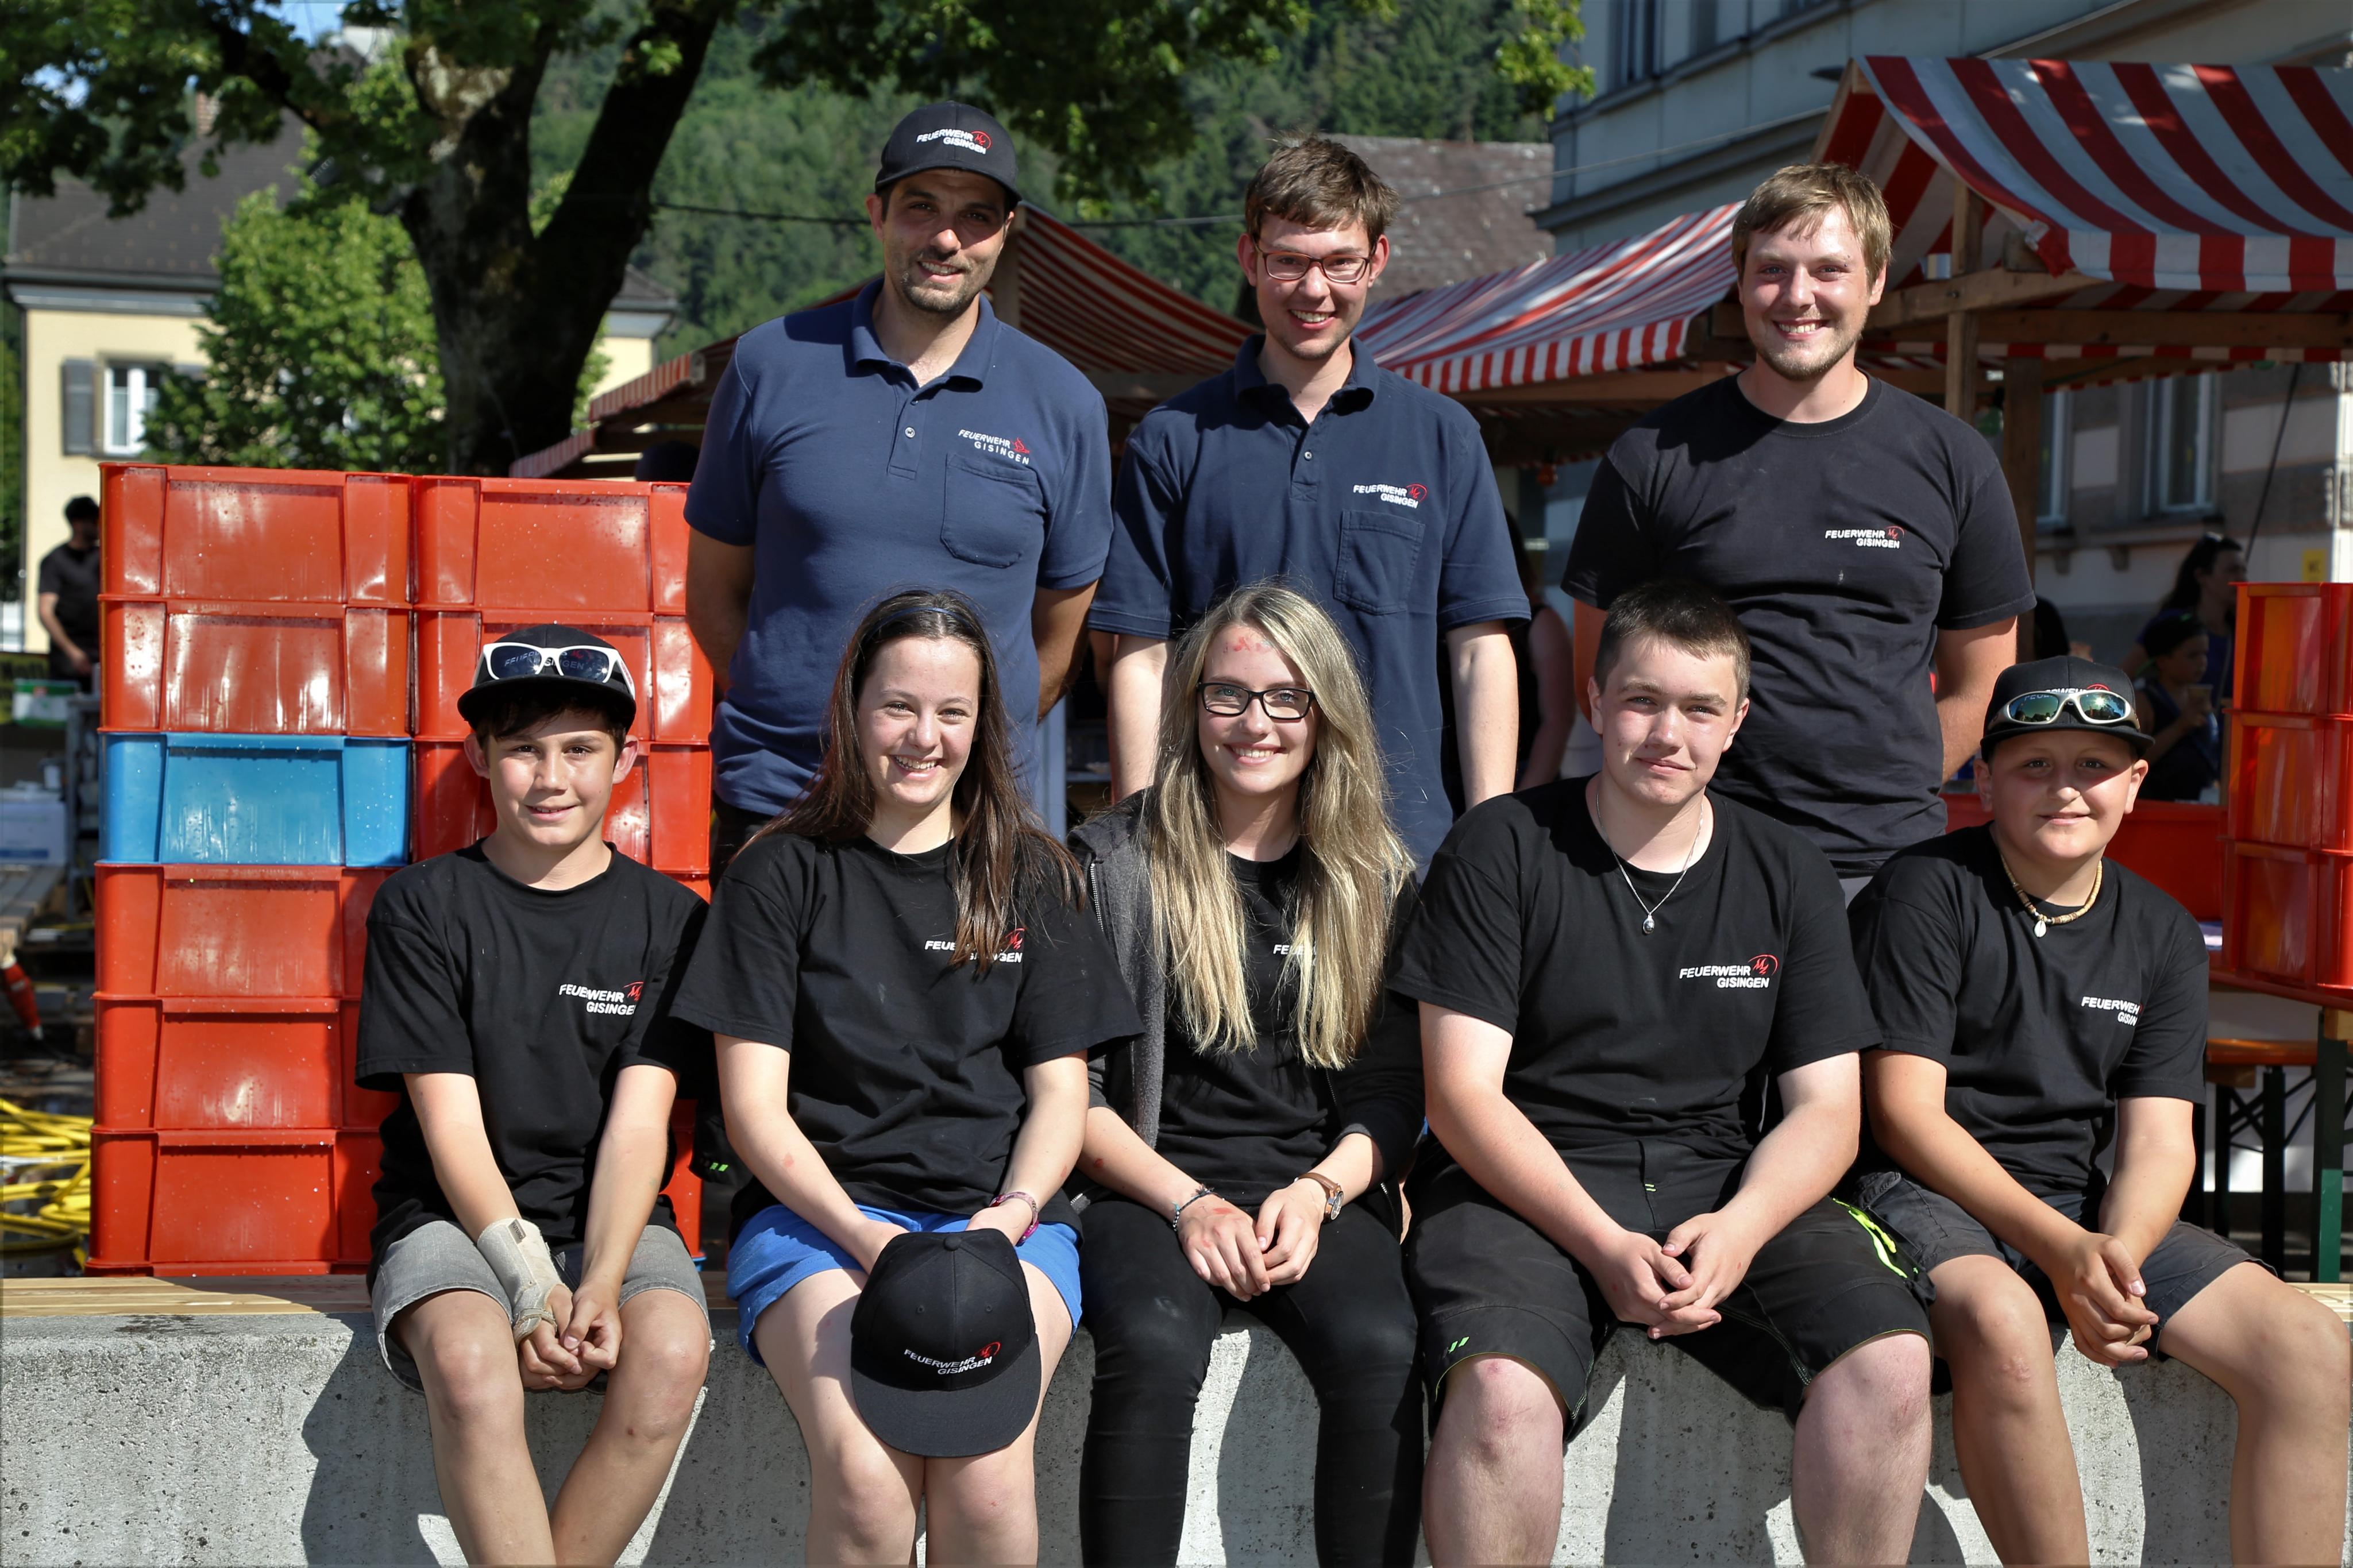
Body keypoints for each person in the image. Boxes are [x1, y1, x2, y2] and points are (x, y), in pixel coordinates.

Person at [1393, 578, 1934, 1565]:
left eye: (1699, 708)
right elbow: (1462, 1095)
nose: (1667, 734)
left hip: (1719, 1180)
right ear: (1596, 702)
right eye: (1642, 701)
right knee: (1502, 1397)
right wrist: (1604, 1245)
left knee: (1890, 1365)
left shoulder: (1788, 869)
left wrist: (1743, 1226)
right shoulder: (1501, 846)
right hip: (1521, 1182)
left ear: (1737, 722)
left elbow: (1827, 1110)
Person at [1850, 655, 2350, 1565]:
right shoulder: (1925, 889)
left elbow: (2160, 1139)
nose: (2065, 788)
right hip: (1922, 1191)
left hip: (2075, 1205)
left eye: (2093, 765)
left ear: (2134, 783)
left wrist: (2112, 1256)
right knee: (2005, 1322)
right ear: (1985, 779)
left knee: (2310, 1347)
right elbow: (1903, 1115)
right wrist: (2061, 1249)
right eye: (2034, 764)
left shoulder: (2162, 929)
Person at [674, 590, 1140, 1564]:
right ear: (853, 706)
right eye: (899, 706)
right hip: (821, 1223)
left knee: (989, 1481)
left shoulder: (1033, 875)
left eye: (951, 712)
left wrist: (1006, 1220)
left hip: (1001, 1224)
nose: (924, 737)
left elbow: (1062, 1096)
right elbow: (753, 1110)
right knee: (867, 1483)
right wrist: (864, 1235)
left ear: (984, 723)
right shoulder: (779, 873)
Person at [1070, 584, 1424, 1566]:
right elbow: (1072, 1094)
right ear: (1191, 707)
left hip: (1313, 1190)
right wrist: (1189, 1206)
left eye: (1284, 698)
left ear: (1326, 712)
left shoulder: (1375, 876)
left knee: (1383, 1347)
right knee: (1150, 1342)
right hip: (1150, 1187)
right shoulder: (1114, 865)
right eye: (1226, 695)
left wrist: (1319, 1195)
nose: (1254, 723)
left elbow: (1395, 1092)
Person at [1563, 163, 2033, 898]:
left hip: (1887, 870)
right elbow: (1598, 680)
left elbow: (1985, 685)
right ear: (1740, 281)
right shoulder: (1652, 457)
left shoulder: (1953, 460)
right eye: (1772, 270)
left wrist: (1890, 782)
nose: (1797, 296)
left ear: (1875, 281)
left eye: (1829, 270)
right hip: (1693, 862)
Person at [357, 625, 713, 1566]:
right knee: (471, 1366)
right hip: (450, 1217)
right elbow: (449, 1125)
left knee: (672, 1353)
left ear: (625, 761)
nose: (551, 778)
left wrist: (596, 1282)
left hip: (616, 1221)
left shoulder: (673, 921)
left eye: (580, 749)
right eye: (522, 749)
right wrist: (528, 1282)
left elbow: (642, 1123)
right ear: (481, 757)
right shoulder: (422, 906)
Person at [685, 102, 1113, 879]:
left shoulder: (1065, 404)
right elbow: (714, 594)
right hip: (780, 807)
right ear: (877, 213)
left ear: (1007, 230)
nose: (946, 238)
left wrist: (954, 752)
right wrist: (796, 719)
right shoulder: (768, 366)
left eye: (975, 215)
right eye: (922, 207)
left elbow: (1056, 642)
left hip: (967, 823)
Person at [1089, 136, 1527, 867]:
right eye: (1288, 261)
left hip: (1399, 849)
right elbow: (1140, 657)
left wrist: (1490, 845)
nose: (1314, 289)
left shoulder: (1442, 437)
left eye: (1339, 262)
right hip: (1216, 853)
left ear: (1376, 261)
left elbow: (1480, 653)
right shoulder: (1173, 439)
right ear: (1249, 259)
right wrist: (1138, 850)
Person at [2121, 532, 2245, 696]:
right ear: (2202, 576)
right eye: (2232, 570)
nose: (2242, 579)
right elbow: (2122, 679)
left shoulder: (2242, 630)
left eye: (2243, 571)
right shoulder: (2173, 625)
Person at [2132, 609, 2220, 802]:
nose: (2202, 662)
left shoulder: (2199, 696)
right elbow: (2132, 762)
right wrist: (2179, 727)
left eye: (2204, 654)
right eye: (2192, 655)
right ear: (2163, 661)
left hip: (2200, 804)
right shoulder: (2145, 701)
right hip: (2157, 806)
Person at [38, 495, 101, 690]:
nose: (99, 525)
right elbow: (46, 612)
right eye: (94, 520)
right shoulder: (55, 561)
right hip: (68, 663)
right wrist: (72, 652)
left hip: (102, 657)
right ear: (78, 524)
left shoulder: (104, 557)